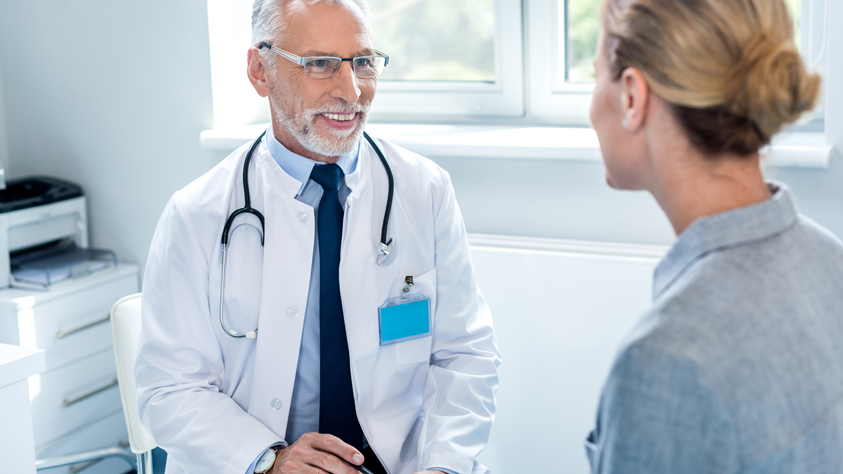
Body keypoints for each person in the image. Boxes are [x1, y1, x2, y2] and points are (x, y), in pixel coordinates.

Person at [135, 1, 500, 473]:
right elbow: (169, 388)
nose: (351, 91)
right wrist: (269, 460)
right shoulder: (197, 215)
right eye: (320, 63)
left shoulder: (424, 191)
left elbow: (464, 354)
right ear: (260, 70)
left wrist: (442, 464)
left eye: (364, 62)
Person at [585, 0, 843, 472]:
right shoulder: (830, 260)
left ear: (631, 97)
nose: (590, 108)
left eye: (595, 76)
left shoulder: (665, 362)